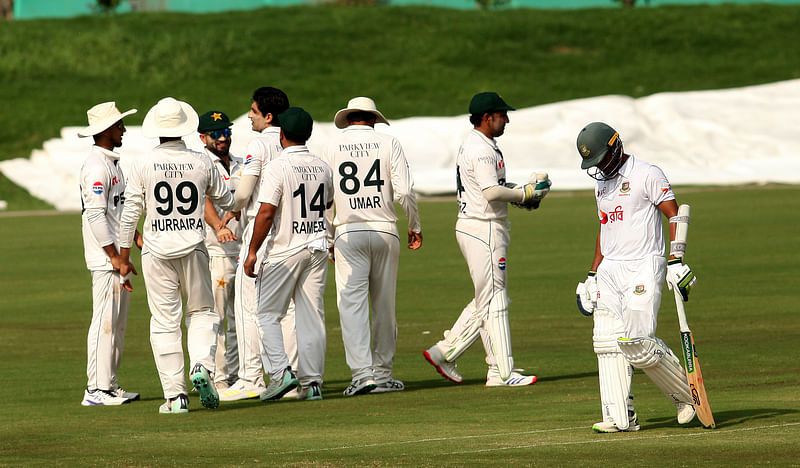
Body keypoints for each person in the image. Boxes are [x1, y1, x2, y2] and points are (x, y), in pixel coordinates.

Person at [574, 121, 697, 432]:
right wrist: (592, 274)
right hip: (609, 269)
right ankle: (620, 416)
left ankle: (686, 395)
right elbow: (605, 229)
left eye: (602, 158)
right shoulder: (600, 184)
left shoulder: (647, 173)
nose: (599, 166)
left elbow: (676, 213)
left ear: (616, 146)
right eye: (594, 163)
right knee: (605, 342)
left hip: (643, 263)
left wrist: (676, 259)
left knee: (637, 343)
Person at [422, 92, 549, 387]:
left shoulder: (481, 145)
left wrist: (521, 197)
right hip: (484, 228)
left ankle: (446, 352)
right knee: (494, 300)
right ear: (486, 117)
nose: (507, 119)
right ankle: (501, 372)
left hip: (480, 226)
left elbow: (493, 189)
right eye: (502, 115)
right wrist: (525, 194)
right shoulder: (481, 150)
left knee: (489, 297)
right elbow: (491, 192)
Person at [118, 97, 235, 414]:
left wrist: (123, 257)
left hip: (156, 250)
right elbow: (225, 197)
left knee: (164, 321)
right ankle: (201, 365)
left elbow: (130, 214)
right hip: (194, 246)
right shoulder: (202, 161)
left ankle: (176, 396)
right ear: (185, 128)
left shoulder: (142, 163)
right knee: (201, 312)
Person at [321, 97, 422, 396]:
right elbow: (404, 191)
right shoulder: (388, 142)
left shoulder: (330, 146)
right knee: (384, 305)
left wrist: (327, 237)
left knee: (351, 306)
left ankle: (363, 375)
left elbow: (325, 196)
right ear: (374, 119)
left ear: (349, 118)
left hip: (347, 231)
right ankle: (383, 374)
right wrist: (414, 225)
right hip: (385, 228)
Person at [244, 107, 333, 402]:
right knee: (311, 316)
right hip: (318, 247)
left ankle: (282, 372)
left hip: (286, 250)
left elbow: (267, 212)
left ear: (282, 134)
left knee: (267, 314)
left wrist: (252, 251)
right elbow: (329, 203)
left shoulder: (278, 167)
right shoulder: (322, 166)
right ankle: (312, 382)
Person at [217, 86, 300, 401]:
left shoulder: (260, 143)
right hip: (292, 231)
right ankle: (290, 376)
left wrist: (233, 207)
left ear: (268, 116)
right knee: (287, 308)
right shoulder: (295, 142)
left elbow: (243, 191)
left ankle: (251, 378)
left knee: (248, 305)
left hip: (260, 226)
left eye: (252, 112)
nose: (249, 117)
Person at [77, 101, 142, 406]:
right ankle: (96, 390)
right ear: (105, 131)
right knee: (104, 322)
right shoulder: (95, 166)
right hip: (106, 259)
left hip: (118, 257)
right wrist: (115, 257)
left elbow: (119, 210)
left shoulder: (112, 163)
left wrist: (136, 241)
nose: (123, 130)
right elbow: (95, 215)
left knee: (117, 324)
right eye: (119, 126)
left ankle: (110, 384)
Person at [198, 110, 245, 391]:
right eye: (216, 134)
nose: (223, 138)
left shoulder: (240, 163)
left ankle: (239, 373)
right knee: (217, 316)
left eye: (226, 132)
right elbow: (204, 200)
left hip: (244, 250)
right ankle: (218, 376)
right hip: (216, 251)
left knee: (242, 316)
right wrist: (219, 227)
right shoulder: (202, 164)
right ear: (203, 137)